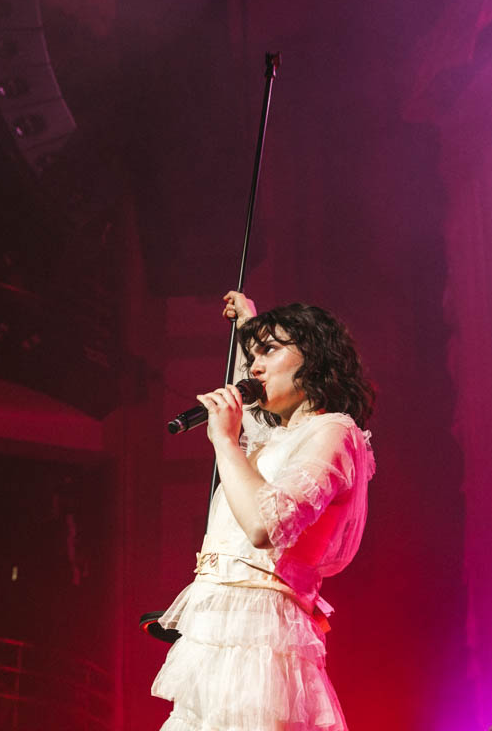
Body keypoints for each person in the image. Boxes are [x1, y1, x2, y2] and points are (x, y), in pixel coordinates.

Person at [151, 291, 377, 731]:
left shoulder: (333, 431)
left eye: (270, 351)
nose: (254, 367)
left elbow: (265, 524)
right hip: (217, 631)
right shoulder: (271, 439)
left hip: (260, 634)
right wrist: (247, 327)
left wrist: (224, 441)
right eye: (253, 356)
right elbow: (251, 406)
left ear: (314, 356)